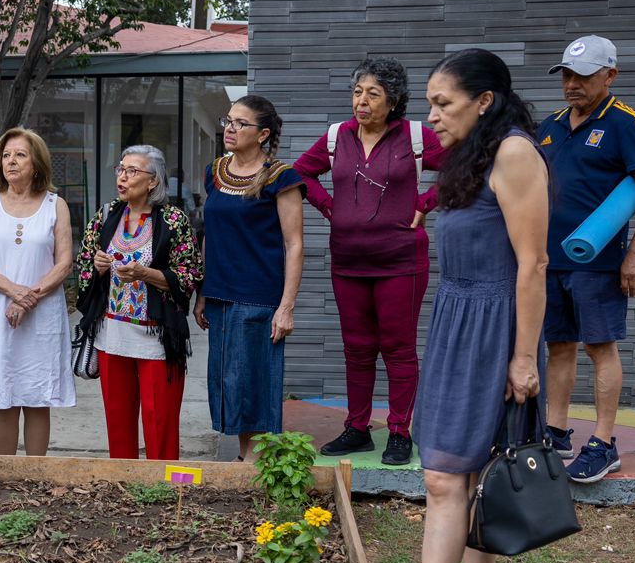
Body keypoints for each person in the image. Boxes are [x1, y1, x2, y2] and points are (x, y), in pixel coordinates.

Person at [404, 48, 550, 563]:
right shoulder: (473, 154)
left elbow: (534, 264)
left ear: (484, 100)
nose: (431, 115)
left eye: (443, 102)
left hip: (495, 329)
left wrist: (522, 357)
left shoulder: (516, 153)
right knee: (465, 468)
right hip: (459, 319)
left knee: (444, 477)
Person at [295, 56, 446, 465]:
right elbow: (300, 174)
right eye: (357, 92)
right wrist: (329, 207)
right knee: (357, 348)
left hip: (401, 262)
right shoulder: (336, 136)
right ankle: (357, 428)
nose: (361, 101)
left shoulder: (415, 137)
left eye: (373, 94)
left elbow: (460, 167)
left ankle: (399, 431)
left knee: (398, 348)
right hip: (347, 261)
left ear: (393, 101)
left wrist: (426, 203)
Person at [538, 35, 635, 483]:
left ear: (610, 75)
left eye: (584, 76)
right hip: (548, 259)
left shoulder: (627, 122)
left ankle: (605, 442)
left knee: (599, 347)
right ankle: (555, 431)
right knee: (557, 346)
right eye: (568, 75)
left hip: (598, 261)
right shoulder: (549, 124)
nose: (573, 84)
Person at [72, 144, 202, 460]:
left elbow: (189, 273)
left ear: (153, 181)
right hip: (111, 336)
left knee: (161, 424)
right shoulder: (105, 216)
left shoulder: (173, 220)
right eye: (121, 169)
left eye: (133, 171)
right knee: (118, 425)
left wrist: (146, 273)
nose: (123, 176)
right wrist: (97, 268)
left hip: (156, 338)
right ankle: (124, 490)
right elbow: (83, 265)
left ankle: (165, 490)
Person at [193, 95, 305, 460]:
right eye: (229, 120)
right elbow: (210, 234)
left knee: (253, 384)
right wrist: (202, 293)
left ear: (263, 134)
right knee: (229, 386)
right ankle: (246, 463)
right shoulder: (215, 173)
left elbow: (294, 244)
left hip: (259, 297)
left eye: (241, 123)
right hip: (221, 295)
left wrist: (286, 307)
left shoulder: (281, 177)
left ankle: (253, 469)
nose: (230, 127)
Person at [0, 127, 75, 454]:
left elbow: (64, 263)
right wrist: (15, 292)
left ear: (37, 163)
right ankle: (5, 477)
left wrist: (29, 299)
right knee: (3, 397)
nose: (11, 161)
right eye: (6, 155)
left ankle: (35, 479)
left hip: (42, 314)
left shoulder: (56, 206)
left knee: (37, 396)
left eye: (20, 155)